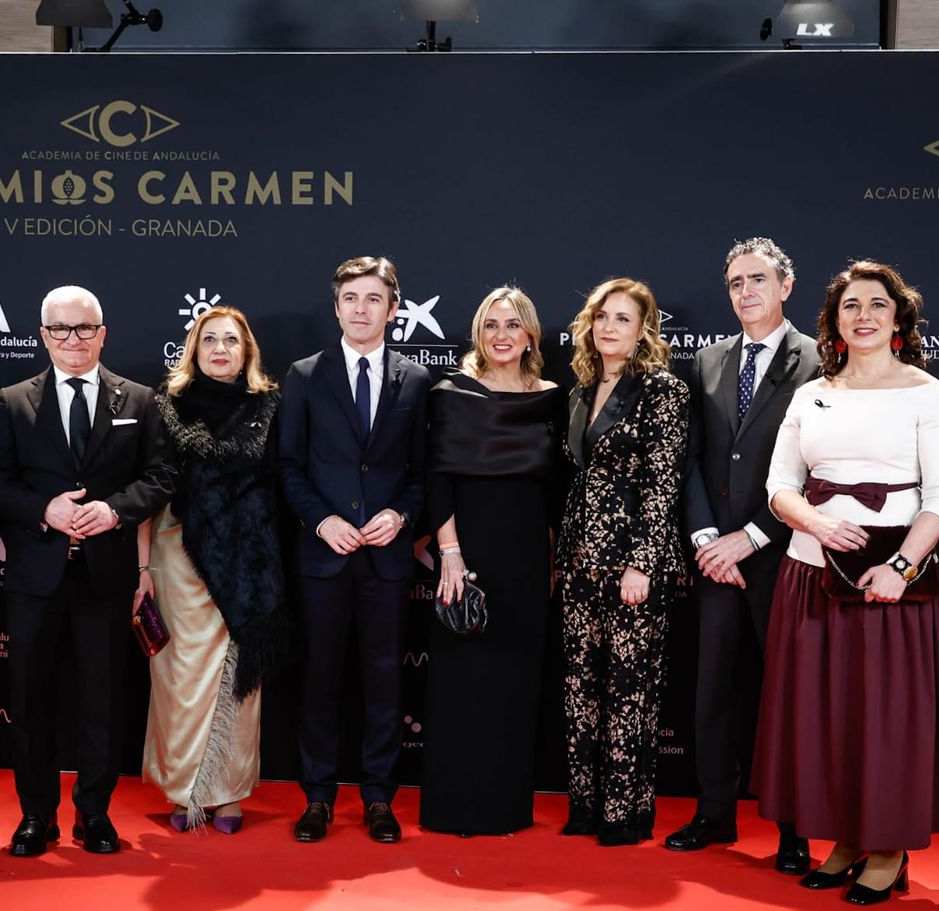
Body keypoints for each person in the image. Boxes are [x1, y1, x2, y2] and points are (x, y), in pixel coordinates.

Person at [752, 260, 939, 905]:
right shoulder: (811, 393)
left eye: (876, 304)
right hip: (809, 574)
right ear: (835, 322)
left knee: (885, 720)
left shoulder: (926, 393)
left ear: (898, 318)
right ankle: (845, 837)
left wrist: (900, 569)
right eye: (850, 307)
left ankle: (889, 847)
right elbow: (778, 485)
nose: (863, 315)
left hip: (892, 585)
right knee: (827, 716)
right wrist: (813, 520)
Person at [0, 285, 171, 857]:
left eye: (85, 328)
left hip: (104, 579)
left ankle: (94, 812)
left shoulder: (138, 400)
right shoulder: (13, 402)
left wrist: (114, 510)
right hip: (34, 580)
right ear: (43, 335)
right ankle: (37, 815)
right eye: (60, 329)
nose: (73, 340)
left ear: (103, 334)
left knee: (101, 702)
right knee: (31, 701)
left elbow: (161, 476)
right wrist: (46, 510)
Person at [669, 237, 819, 873]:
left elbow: (821, 470)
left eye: (758, 279)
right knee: (713, 691)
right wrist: (707, 539)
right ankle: (714, 812)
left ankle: (794, 829)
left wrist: (753, 536)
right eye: (735, 283)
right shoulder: (704, 362)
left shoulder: (821, 361)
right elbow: (694, 460)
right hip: (715, 561)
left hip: (784, 554)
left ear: (786, 285)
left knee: (786, 696)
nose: (746, 292)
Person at [278, 255, 432, 844]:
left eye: (373, 299)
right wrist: (323, 523)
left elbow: (421, 474)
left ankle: (377, 797)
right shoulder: (304, 375)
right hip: (324, 557)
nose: (361, 309)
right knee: (319, 679)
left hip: (387, 560)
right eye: (350, 299)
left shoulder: (416, 381)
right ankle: (317, 797)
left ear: (393, 310)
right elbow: (289, 468)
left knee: (384, 680)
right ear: (336, 307)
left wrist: (402, 515)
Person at [137, 306, 294, 835]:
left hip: (249, 562)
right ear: (194, 350)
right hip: (179, 556)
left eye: (232, 339)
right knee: (182, 679)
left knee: (237, 682)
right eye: (210, 340)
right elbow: (149, 486)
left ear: (247, 350)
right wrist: (142, 566)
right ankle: (184, 792)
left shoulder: (270, 407)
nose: (221, 348)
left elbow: (282, 485)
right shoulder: (165, 407)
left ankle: (227, 797)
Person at [420, 286, 564, 836]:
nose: (501, 336)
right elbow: (439, 476)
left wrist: (552, 554)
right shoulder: (451, 392)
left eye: (513, 325)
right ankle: (455, 806)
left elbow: (555, 485)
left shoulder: (553, 396)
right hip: (468, 547)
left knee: (515, 678)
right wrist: (449, 553)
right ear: (479, 333)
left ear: (530, 333)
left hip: (527, 549)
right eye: (491, 325)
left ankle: (505, 807)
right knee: (464, 677)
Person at [556, 277, 691, 846]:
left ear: (642, 331)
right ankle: (584, 808)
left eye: (623, 319)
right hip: (580, 561)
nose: (609, 327)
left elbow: (664, 484)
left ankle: (624, 814)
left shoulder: (663, 390)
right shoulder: (580, 389)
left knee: (631, 691)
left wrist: (641, 562)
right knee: (581, 689)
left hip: (634, 565)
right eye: (602, 317)